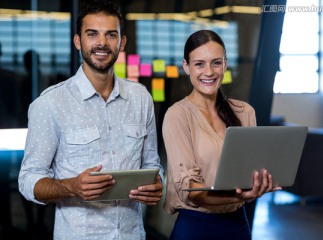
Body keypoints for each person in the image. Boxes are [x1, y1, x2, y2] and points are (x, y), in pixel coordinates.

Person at [18, 1, 164, 239]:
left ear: (122, 42)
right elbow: (28, 180)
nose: (102, 43)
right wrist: (71, 187)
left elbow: (152, 164)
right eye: (92, 34)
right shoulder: (50, 104)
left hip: (132, 234)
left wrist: (157, 184)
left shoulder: (141, 98)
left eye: (111, 35)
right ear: (78, 41)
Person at [162, 30, 281, 240]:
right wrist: (240, 195)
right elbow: (190, 190)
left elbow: (248, 174)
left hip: (238, 224)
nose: (209, 72)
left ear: (225, 65)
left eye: (216, 63)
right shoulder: (177, 115)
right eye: (199, 64)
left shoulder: (245, 112)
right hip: (195, 227)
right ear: (186, 66)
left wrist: (256, 186)